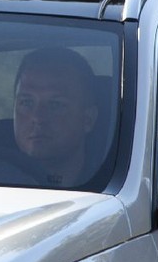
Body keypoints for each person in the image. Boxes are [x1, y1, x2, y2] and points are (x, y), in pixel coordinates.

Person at [11, 46, 99, 187]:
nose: (38, 117)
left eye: (56, 104)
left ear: (88, 119)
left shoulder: (112, 190)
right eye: (26, 102)